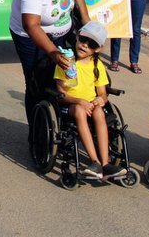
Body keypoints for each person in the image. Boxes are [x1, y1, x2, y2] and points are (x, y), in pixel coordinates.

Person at [9, 0, 90, 146]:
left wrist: (86, 20)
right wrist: (53, 53)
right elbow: (31, 25)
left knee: (65, 77)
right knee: (38, 82)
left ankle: (63, 123)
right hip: (30, 37)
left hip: (62, 31)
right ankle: (37, 134)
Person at [54, 22, 127, 179]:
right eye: (83, 39)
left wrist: (100, 100)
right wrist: (80, 101)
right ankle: (95, 162)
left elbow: (102, 92)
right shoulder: (66, 62)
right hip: (71, 105)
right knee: (80, 111)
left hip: (90, 104)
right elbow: (61, 93)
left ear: (98, 48)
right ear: (77, 37)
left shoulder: (97, 65)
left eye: (91, 43)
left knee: (100, 111)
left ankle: (105, 163)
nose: (85, 45)